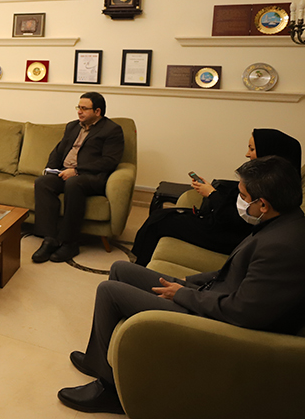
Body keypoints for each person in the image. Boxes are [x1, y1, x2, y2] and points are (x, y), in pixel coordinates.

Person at [57, 155, 305, 414]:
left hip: (215, 320)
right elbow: (232, 273)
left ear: (263, 204)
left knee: (109, 292)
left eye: (243, 196)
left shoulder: (283, 247)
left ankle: (110, 391)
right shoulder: (280, 223)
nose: (239, 202)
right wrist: (188, 282)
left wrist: (182, 295)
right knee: (121, 269)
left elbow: (241, 311)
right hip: (212, 297)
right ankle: (98, 360)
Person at [132, 128, 302, 265]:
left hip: (229, 235)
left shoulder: (272, 190)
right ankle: (140, 262)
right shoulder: (267, 180)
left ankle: (140, 265)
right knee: (162, 216)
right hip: (223, 223)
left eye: (252, 149)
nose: (247, 154)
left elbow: (236, 220)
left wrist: (211, 194)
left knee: (160, 221)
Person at [31, 93, 124, 263]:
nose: (79, 111)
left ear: (97, 111)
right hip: (65, 172)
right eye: (78, 107)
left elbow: (109, 161)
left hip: (91, 177)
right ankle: (50, 239)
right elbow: (58, 151)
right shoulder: (72, 126)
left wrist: (77, 170)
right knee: (42, 183)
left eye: (84, 108)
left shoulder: (112, 130)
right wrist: (50, 169)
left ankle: (70, 242)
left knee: (73, 183)